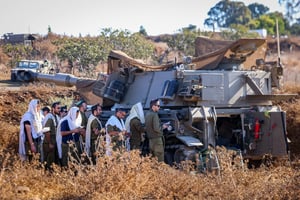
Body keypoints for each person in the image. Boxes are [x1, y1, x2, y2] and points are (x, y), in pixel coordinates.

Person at [42, 101, 61, 170]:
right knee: (49, 162)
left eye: (59, 108)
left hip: (54, 142)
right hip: (49, 143)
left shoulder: (55, 117)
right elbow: (47, 131)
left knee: (54, 161)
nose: (59, 110)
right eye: (58, 108)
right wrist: (50, 143)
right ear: (53, 108)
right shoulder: (49, 117)